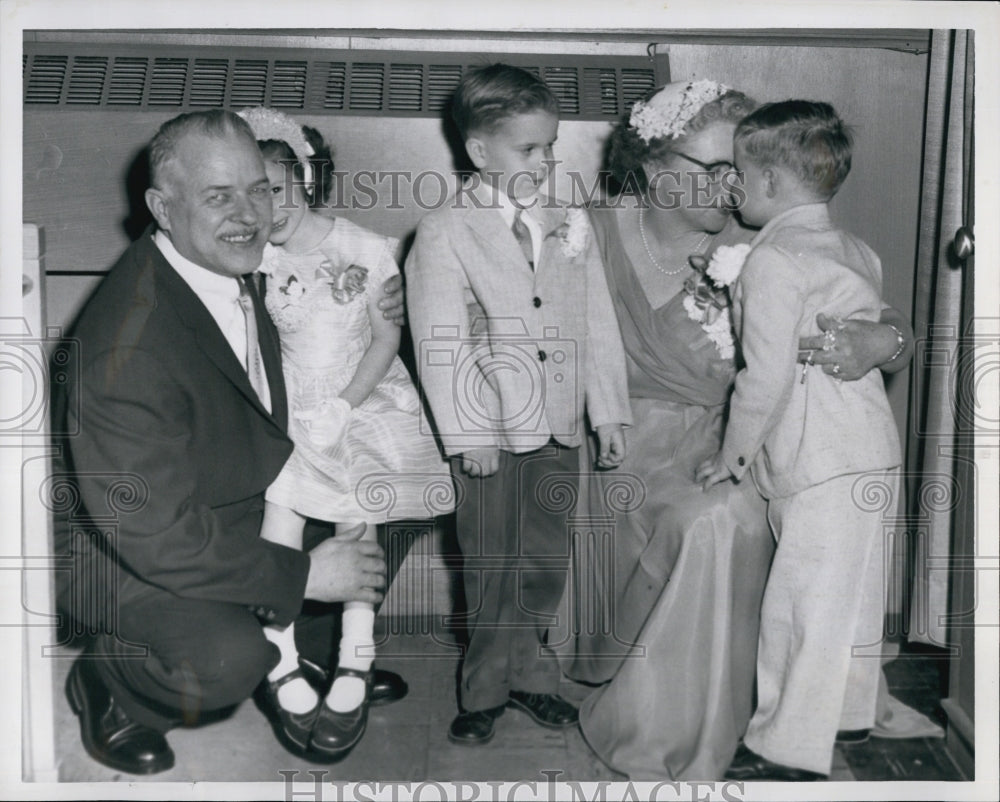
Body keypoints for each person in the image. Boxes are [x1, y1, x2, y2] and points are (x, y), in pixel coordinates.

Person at [559, 81, 913, 780]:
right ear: (656, 164)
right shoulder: (588, 233)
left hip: (752, 443)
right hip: (627, 444)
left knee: (739, 518)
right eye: (711, 169)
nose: (730, 187)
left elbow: (883, 312)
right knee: (716, 520)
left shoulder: (765, 227)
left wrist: (886, 342)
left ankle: (770, 721)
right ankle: (680, 726)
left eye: (738, 171)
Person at [58, 109, 406, 775]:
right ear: (162, 208)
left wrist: (385, 307)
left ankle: (310, 651)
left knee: (384, 495)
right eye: (219, 196)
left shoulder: (233, 257)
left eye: (259, 188)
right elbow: (151, 531)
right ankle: (115, 685)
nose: (250, 213)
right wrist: (304, 574)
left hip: (233, 492)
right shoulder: (124, 347)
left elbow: (325, 313)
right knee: (225, 659)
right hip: (127, 545)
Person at [404, 64, 632, 746]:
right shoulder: (445, 230)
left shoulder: (569, 221)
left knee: (544, 559)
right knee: (489, 563)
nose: (546, 161)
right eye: (528, 149)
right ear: (480, 151)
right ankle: (482, 690)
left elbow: (597, 320)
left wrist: (608, 411)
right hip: (491, 434)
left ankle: (533, 677)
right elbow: (439, 341)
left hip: (560, 426)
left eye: (552, 147)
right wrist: (467, 435)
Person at [236, 107, 454, 760]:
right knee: (282, 525)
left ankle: (355, 660)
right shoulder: (253, 255)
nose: (264, 205)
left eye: (273, 188)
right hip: (290, 411)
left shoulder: (359, 246)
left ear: (303, 177)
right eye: (248, 192)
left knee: (360, 527)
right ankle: (280, 664)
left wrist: (343, 404)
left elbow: (388, 332)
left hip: (360, 406)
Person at [696, 100, 902, 781]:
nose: (733, 189)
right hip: (870, 448)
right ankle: (843, 718)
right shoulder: (854, 247)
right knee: (849, 600)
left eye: (740, 177)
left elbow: (765, 376)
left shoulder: (774, 258)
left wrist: (733, 456)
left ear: (772, 185)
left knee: (800, 608)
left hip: (819, 459)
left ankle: (785, 750)